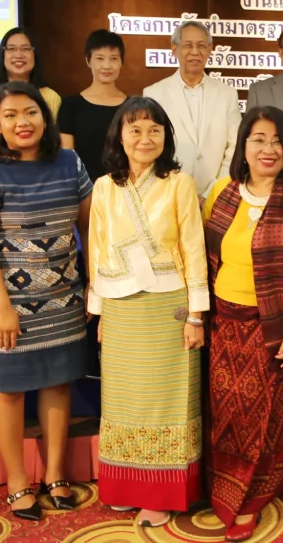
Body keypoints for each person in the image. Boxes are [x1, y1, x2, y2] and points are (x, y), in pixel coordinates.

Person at [0, 82, 91, 520]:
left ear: (45, 117)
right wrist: (2, 305)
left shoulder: (70, 163)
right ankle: (18, 481)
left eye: (31, 112)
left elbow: (91, 226)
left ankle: (55, 474)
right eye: (11, 114)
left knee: (58, 384)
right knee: (9, 390)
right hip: (8, 307)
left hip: (63, 300)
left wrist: (91, 282)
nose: (23, 122)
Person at [203, 106, 283, 540]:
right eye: (258, 139)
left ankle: (253, 498)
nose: (268, 149)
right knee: (228, 415)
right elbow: (202, 257)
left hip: (276, 330)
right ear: (244, 146)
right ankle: (225, 490)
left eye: (277, 140)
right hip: (224, 327)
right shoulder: (222, 192)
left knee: (267, 420)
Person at [87, 97, 207, 527]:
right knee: (122, 401)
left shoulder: (179, 182)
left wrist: (196, 315)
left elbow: (194, 248)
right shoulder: (104, 186)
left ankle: (163, 493)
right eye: (135, 129)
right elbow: (98, 249)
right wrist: (98, 312)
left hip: (167, 306)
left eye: (154, 129)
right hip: (121, 308)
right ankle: (125, 487)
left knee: (165, 401)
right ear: (120, 135)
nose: (145, 138)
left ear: (166, 137)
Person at [143, 20, 241, 198]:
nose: (195, 52)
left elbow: (235, 146)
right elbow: (151, 148)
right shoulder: (154, 94)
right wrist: (175, 189)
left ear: (210, 49)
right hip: (168, 194)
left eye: (201, 45)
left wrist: (215, 191)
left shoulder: (228, 94)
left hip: (217, 196)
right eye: (188, 45)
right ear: (174, 48)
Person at [0, 28, 61, 160]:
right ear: (2, 54)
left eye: (25, 49)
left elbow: (50, 141)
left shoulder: (50, 96)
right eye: (11, 49)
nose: (18, 54)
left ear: (35, 54)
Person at [59, 29, 128, 181]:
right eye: (100, 58)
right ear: (88, 60)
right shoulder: (70, 106)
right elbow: (68, 160)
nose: (107, 65)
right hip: (84, 191)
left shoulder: (131, 107)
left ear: (122, 61)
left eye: (114, 58)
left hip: (125, 191)